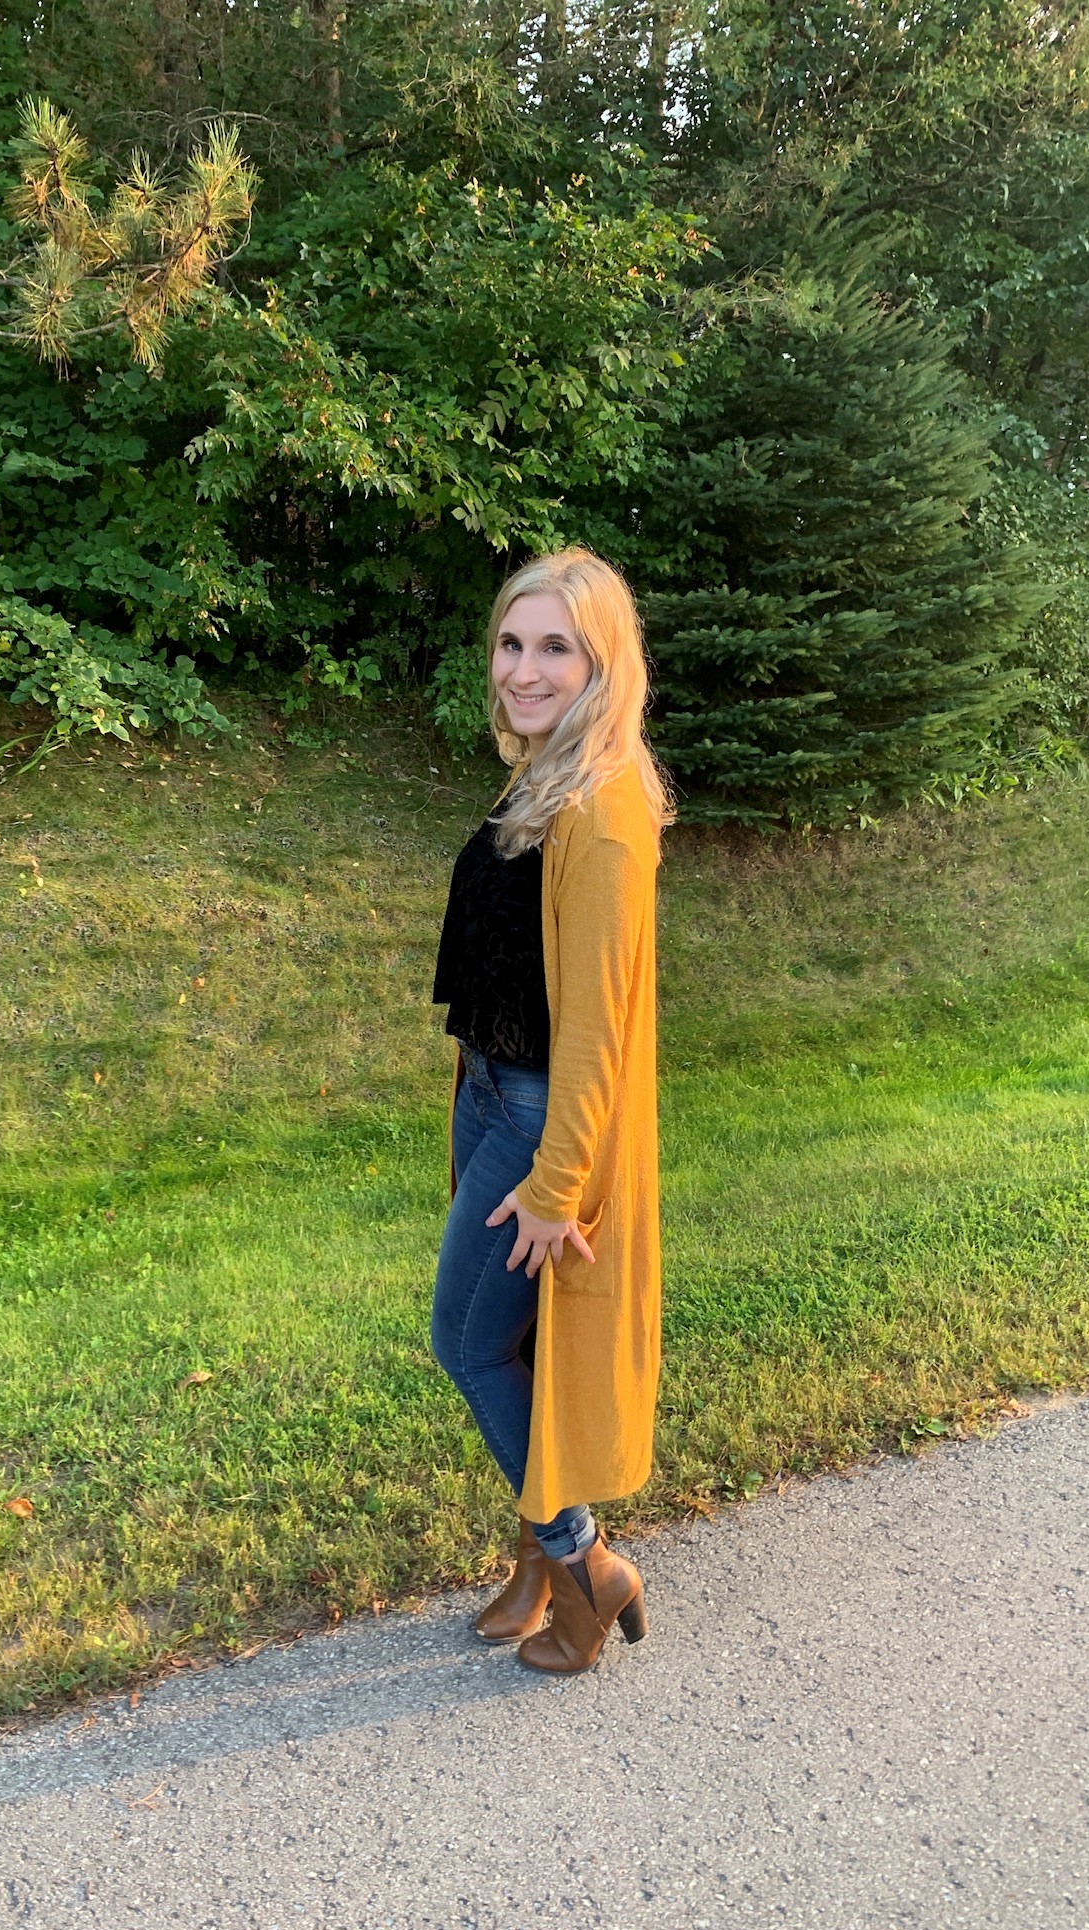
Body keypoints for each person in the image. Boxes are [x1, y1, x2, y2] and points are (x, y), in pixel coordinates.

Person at [430, 546, 667, 1674]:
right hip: (490, 1092)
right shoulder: (542, 771)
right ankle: (535, 1561)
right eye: (513, 643)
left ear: (601, 662)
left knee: (469, 1340)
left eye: (554, 647)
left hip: (534, 1119)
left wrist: (555, 1181)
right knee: (508, 1337)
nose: (523, 670)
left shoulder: (606, 810)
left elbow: (598, 1027)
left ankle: (583, 1565)